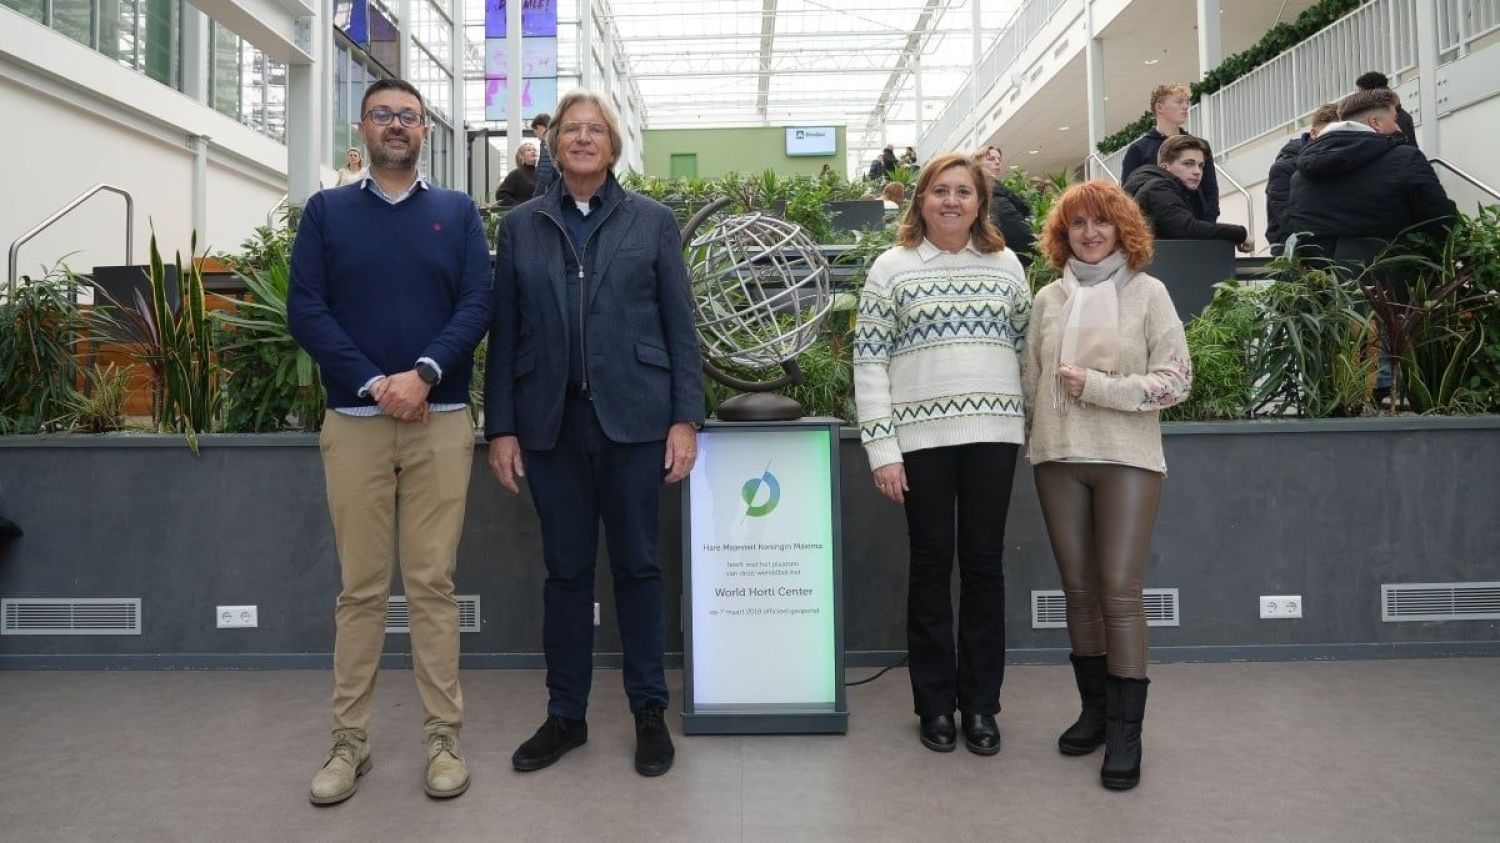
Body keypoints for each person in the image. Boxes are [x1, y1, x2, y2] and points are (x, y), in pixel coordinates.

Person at [485, 89, 705, 779]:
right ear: (554, 146)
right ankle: (566, 715)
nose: (583, 139)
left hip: (637, 423)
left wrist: (685, 418)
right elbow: (505, 332)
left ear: (613, 145)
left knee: (639, 568)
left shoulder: (653, 221)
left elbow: (680, 326)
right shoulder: (522, 226)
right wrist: (502, 429)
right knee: (566, 573)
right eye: (572, 129)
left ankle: (648, 711)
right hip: (552, 429)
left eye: (596, 130)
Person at [288, 79, 492, 805]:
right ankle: (350, 741)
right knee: (361, 589)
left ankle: (444, 736)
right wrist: (379, 384)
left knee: (433, 584)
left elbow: (477, 302)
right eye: (384, 115)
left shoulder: (457, 212)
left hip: (439, 423)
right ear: (363, 127)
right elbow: (306, 310)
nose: (397, 125)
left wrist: (427, 372)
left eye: (409, 115)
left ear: (424, 129)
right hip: (356, 424)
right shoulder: (327, 213)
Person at [853, 152, 1031, 757]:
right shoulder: (890, 267)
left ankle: (980, 704)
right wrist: (883, 449)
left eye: (963, 192)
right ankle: (934, 705)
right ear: (920, 200)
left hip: (993, 437)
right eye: (939, 192)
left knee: (983, 567)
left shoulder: (1007, 265)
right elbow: (869, 362)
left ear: (981, 201)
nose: (951, 202)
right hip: (919, 444)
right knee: (931, 566)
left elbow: (1024, 350)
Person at [1021, 180, 1191, 791]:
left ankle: (1127, 731)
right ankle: (1094, 712)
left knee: (1119, 591)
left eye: (1101, 223)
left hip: (1126, 457)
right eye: (1077, 225)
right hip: (1057, 456)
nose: (1090, 234)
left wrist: (1098, 388)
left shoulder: (1149, 294)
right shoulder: (1047, 300)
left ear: (1124, 230)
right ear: (1062, 235)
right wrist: (1034, 441)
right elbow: (1031, 382)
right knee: (1077, 588)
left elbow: (1176, 382)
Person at [1285, 87, 1458, 255]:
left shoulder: (1299, 176)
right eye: (1395, 119)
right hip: (1395, 276)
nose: (1398, 128)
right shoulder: (1405, 158)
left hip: (1324, 279)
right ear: (1375, 122)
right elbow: (1440, 219)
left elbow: (1301, 232)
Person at [1123, 135, 1251, 250]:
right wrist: (1241, 234)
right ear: (1164, 167)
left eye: (1200, 166)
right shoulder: (1157, 188)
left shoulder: (1173, 190)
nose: (1197, 171)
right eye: (1188, 164)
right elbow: (1186, 228)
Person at [1120, 84, 1220, 220]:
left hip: (1197, 224)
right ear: (1159, 107)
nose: (1185, 107)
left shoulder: (1200, 146)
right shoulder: (1138, 149)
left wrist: (1209, 222)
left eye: (1187, 102)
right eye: (1179, 102)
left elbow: (1210, 189)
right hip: (1155, 228)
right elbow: (1128, 195)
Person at [1265, 103, 1339, 252]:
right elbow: (1286, 217)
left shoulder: (1337, 160)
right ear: (1313, 133)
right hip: (1292, 248)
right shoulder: (1284, 167)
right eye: (1329, 135)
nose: (1334, 141)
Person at [974, 145, 1037, 267]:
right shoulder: (993, 196)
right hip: (1012, 260)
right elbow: (1017, 231)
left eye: (999, 159)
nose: (997, 162)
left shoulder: (993, 193)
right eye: (991, 159)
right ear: (977, 164)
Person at [1355, 71, 1418, 147]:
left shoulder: (1388, 116)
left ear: (1371, 92)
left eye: (1361, 92)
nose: (1359, 96)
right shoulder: (1399, 113)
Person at [495, 142, 539, 206]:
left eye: (534, 150)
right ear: (521, 156)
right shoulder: (516, 174)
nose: (533, 151)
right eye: (528, 150)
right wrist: (519, 206)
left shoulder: (541, 174)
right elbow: (501, 195)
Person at [530, 113, 558, 198]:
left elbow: (545, 174)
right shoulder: (556, 139)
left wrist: (536, 199)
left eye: (535, 132)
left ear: (539, 127)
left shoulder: (547, 141)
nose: (537, 137)